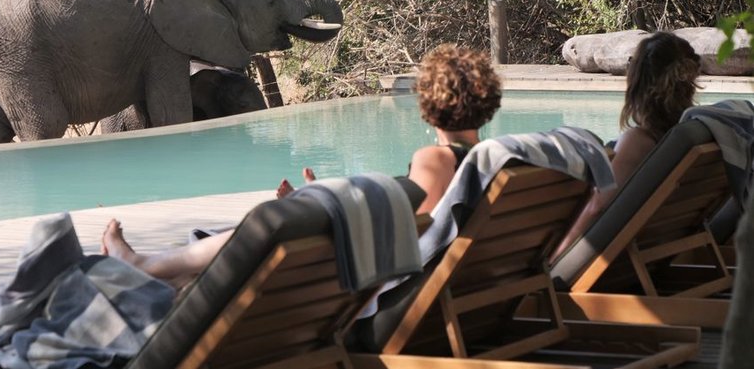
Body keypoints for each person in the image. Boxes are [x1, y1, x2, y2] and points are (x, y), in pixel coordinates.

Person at [102, 43, 503, 287]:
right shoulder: (491, 161)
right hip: (437, 274)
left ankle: (146, 265)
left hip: (383, 279)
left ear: (427, 107)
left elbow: (414, 228)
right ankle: (178, 273)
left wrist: (329, 208)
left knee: (269, 222)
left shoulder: (436, 159)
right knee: (288, 215)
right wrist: (328, 196)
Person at [549, 31, 702, 261]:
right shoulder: (688, 135)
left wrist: (553, 258)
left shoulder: (638, 141)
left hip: (616, 259)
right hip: (658, 250)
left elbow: (597, 208)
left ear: (638, 81)